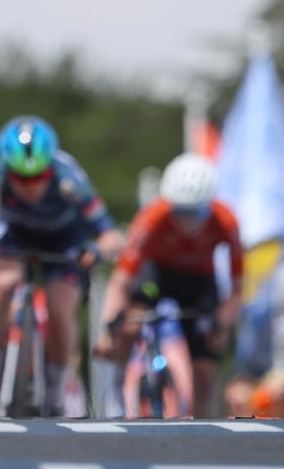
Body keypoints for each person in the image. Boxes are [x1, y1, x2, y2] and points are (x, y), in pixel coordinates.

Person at [0, 115, 123, 418]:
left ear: (50, 168)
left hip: (63, 241)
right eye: (22, 179)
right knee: (2, 284)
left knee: (60, 306)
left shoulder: (70, 180)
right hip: (14, 238)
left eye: (38, 177)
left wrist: (94, 250)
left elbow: (111, 236)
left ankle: (55, 389)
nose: (30, 187)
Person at [94, 153, 242, 418]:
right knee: (128, 323)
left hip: (199, 283)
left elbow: (237, 289)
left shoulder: (226, 222)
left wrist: (221, 321)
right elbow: (121, 282)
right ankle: (115, 393)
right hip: (157, 277)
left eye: (195, 213)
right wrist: (108, 328)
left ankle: (204, 424)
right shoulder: (152, 218)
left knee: (206, 368)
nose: (186, 222)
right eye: (180, 212)